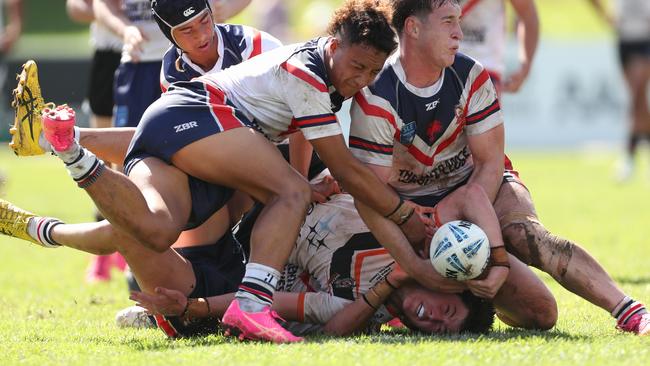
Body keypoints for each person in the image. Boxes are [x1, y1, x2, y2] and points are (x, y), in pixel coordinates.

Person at [6, 0, 431, 342]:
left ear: (215, 13)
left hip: (186, 128)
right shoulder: (302, 71)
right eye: (359, 68)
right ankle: (250, 304)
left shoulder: (274, 54)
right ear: (334, 47)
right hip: (198, 122)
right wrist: (405, 215)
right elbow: (336, 164)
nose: (363, 79)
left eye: (373, 72)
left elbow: (294, 130)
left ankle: (65, 151)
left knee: (152, 230)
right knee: (290, 195)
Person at [348, 0, 649, 335]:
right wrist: (415, 265)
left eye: (459, 22)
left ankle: (630, 311)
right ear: (413, 28)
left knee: (531, 259)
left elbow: (490, 163)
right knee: (535, 312)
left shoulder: (471, 74)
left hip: (481, 185)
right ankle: (466, 278)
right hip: (409, 211)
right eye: (448, 22)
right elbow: (370, 194)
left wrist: (477, 230)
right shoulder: (377, 96)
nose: (459, 33)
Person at [0, 191, 495, 338]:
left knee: (137, 237)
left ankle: (40, 227)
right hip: (252, 200)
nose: (433, 321)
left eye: (439, 332)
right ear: (450, 287)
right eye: (448, 313)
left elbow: (272, 299)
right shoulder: (416, 234)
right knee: (197, 156)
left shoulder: (364, 308)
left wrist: (195, 308)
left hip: (224, 266)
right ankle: (66, 141)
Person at [66, 0, 127, 283]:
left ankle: (133, 250)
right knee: (100, 161)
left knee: (137, 159)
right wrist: (113, 15)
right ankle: (101, 256)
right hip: (110, 54)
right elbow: (75, 8)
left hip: (151, 59)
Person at [588, 0, 650, 181]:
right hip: (624, 39)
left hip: (646, 39)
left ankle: (628, 156)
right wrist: (606, 16)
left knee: (637, 95)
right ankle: (632, 155)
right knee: (638, 101)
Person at [459, 0, 538, 93]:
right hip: (444, 65)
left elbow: (527, 15)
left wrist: (525, 67)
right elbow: (528, 16)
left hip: (485, 67)